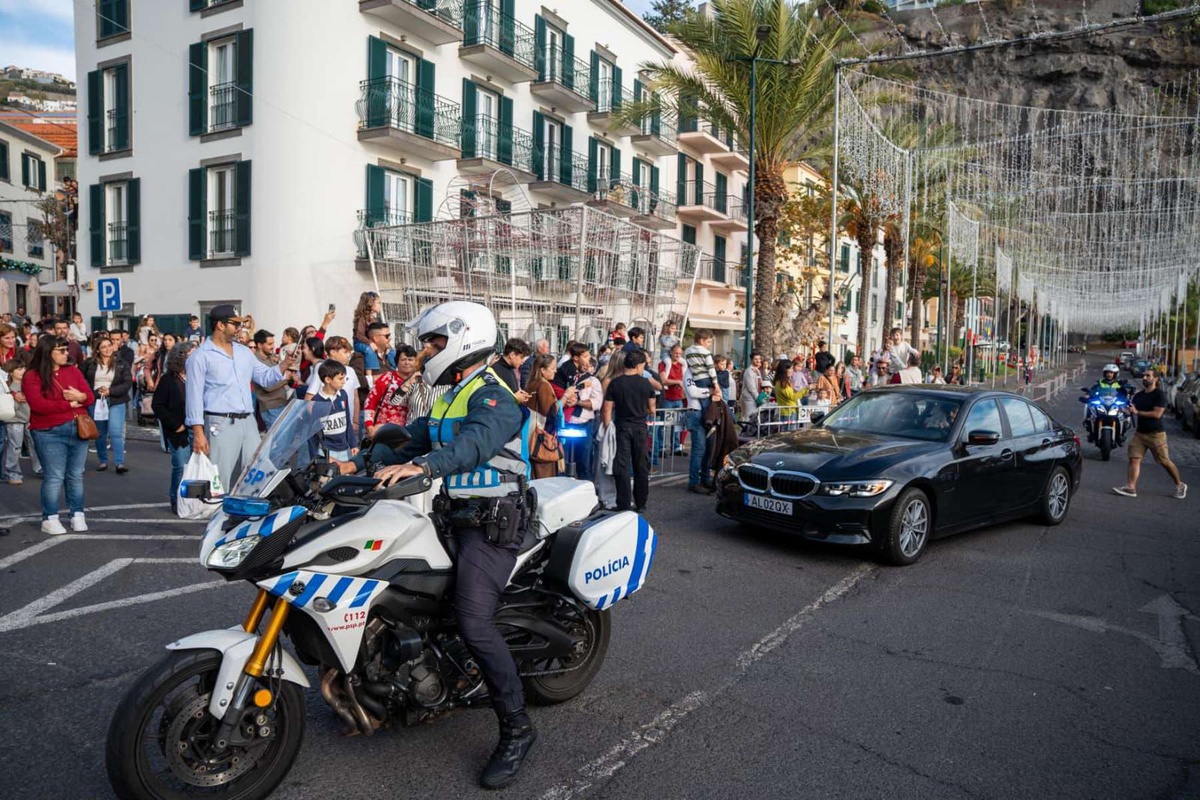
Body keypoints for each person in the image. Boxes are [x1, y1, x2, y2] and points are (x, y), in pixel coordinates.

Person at [334, 301, 537, 789]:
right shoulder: (450, 395)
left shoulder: (494, 395)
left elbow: (472, 445)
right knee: (397, 587)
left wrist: (424, 469)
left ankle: (517, 728)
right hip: (451, 517)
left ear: (462, 340)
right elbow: (411, 440)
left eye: (433, 342)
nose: (425, 352)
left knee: (472, 619)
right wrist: (355, 463)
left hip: (491, 525)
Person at [186, 305, 296, 493]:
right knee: (219, 477)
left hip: (248, 421)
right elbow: (193, 396)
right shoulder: (200, 356)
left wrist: (285, 364)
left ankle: (246, 515)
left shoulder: (244, 352)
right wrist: (198, 432)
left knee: (256, 473)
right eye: (235, 324)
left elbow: (265, 377)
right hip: (220, 421)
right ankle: (217, 516)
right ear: (220, 325)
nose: (240, 328)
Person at [24, 336, 95, 534]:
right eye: (61, 350)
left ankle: (77, 514)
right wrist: (69, 404)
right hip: (49, 431)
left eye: (66, 350)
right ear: (48, 353)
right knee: (54, 476)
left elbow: (89, 396)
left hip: (77, 427)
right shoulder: (32, 376)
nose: (67, 353)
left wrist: (80, 397)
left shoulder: (72, 370)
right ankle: (50, 517)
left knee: (75, 475)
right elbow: (39, 405)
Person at [1113, 370, 1187, 500]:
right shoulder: (1139, 395)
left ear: (1156, 379)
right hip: (1140, 434)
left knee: (1164, 461)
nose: (1144, 377)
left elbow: (1157, 414)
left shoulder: (1159, 395)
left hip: (1156, 434)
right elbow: (1131, 410)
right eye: (1144, 375)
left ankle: (1179, 484)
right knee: (1134, 458)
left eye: (1148, 375)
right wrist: (1124, 410)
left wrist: (1137, 412)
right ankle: (1131, 487)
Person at [602, 349, 656, 511]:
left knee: (622, 466)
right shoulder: (645, 383)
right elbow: (652, 409)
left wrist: (606, 429)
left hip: (622, 427)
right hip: (640, 427)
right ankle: (641, 503)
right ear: (639, 365)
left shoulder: (615, 383)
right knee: (640, 466)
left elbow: (606, 410)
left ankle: (623, 503)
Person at [153, 341, 196, 513]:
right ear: (182, 357)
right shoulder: (168, 380)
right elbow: (158, 405)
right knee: (180, 465)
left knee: (196, 466)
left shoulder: (198, 377)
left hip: (197, 428)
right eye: (192, 355)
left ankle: (194, 499)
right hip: (179, 430)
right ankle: (176, 498)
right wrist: (175, 424)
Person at [83, 336, 133, 474]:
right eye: (103, 347)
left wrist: (111, 391)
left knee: (116, 432)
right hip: (97, 400)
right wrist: (94, 393)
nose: (107, 349)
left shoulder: (121, 363)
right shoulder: (89, 363)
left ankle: (119, 463)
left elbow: (127, 382)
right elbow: (82, 380)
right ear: (97, 350)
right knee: (100, 433)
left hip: (116, 400)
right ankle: (103, 460)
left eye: (109, 345)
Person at [525, 354, 568, 479]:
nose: (555, 370)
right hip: (542, 437)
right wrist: (565, 397)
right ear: (542, 370)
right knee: (545, 475)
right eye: (552, 367)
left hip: (530, 434)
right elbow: (550, 412)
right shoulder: (543, 385)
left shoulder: (531, 384)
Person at [682, 360, 721, 494]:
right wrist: (709, 391)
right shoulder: (689, 372)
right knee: (699, 450)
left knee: (708, 449)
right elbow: (693, 392)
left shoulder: (707, 374)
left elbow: (717, 391)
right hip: (695, 412)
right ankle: (694, 482)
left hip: (708, 413)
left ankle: (705, 478)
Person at [363, 344, 419, 435]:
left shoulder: (420, 381)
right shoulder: (387, 378)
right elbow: (370, 402)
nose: (407, 363)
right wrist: (369, 426)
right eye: (403, 360)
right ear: (397, 362)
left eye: (410, 360)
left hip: (410, 431)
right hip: (383, 429)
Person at [308, 360, 356, 461]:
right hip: (327, 452)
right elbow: (312, 434)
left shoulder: (343, 395)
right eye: (340, 378)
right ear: (328, 380)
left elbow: (347, 421)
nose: (344, 381)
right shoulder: (316, 401)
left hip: (344, 449)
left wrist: (353, 444)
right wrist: (315, 457)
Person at [252, 329, 290, 431]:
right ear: (260, 345)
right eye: (269, 344)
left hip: (281, 403)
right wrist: (286, 379)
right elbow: (268, 386)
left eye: (273, 343)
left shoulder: (272, 357)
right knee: (275, 442)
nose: (273, 346)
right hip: (271, 407)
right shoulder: (256, 362)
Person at [1083, 364, 1130, 443]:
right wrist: (1088, 395)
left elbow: (1125, 393)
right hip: (1102, 402)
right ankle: (1089, 427)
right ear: (1105, 373)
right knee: (1089, 407)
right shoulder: (1100, 383)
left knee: (1125, 412)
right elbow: (1092, 391)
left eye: (1111, 373)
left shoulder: (1119, 383)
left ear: (1115, 374)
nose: (1109, 374)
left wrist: (1128, 393)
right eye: (1107, 372)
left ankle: (1123, 431)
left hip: (1114, 403)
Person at [2, 356, 30, 485]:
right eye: (19, 369)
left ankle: (40, 468)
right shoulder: (7, 386)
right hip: (14, 420)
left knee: (36, 445)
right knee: (15, 447)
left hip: (30, 419)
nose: (22, 371)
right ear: (11, 371)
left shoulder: (29, 384)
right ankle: (12, 473)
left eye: (23, 368)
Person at [657, 345, 686, 457]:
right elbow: (663, 380)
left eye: (679, 353)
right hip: (667, 398)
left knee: (677, 425)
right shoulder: (664, 364)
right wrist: (677, 382)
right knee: (663, 425)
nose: (678, 355)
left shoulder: (682, 365)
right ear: (671, 353)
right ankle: (661, 447)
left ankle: (676, 447)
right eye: (676, 353)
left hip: (678, 398)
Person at [684, 329, 718, 407]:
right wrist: (715, 383)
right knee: (709, 403)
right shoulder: (706, 353)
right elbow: (711, 368)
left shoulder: (687, 351)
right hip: (706, 378)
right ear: (702, 341)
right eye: (708, 342)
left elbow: (689, 365)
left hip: (696, 378)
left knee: (703, 402)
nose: (709, 344)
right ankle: (710, 418)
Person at [773, 359, 801, 427]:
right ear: (784, 370)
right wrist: (806, 389)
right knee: (789, 433)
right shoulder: (782, 383)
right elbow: (792, 396)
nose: (792, 370)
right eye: (790, 368)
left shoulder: (783, 382)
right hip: (789, 412)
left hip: (789, 411)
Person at [739, 351, 765, 422]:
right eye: (756, 359)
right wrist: (758, 399)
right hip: (749, 399)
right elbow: (751, 388)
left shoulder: (757, 370)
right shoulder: (749, 371)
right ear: (751, 360)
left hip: (756, 398)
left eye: (759, 359)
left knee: (755, 419)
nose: (758, 361)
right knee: (748, 419)